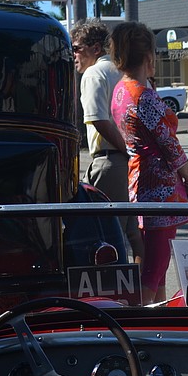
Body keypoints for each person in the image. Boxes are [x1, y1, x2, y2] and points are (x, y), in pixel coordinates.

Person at [109, 22, 188, 305]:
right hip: (160, 186)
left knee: (154, 264)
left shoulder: (121, 91)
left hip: (140, 179)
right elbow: (169, 144)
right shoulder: (144, 96)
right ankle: (141, 323)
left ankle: (157, 318)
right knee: (156, 266)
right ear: (149, 56)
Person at [72, 18, 144, 263]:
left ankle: (119, 296)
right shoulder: (124, 72)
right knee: (135, 235)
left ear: (95, 48)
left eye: (77, 48)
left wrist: (126, 151)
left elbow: (99, 121)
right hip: (132, 162)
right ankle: (144, 292)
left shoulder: (94, 73)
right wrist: (135, 154)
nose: (74, 55)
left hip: (111, 160)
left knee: (108, 238)